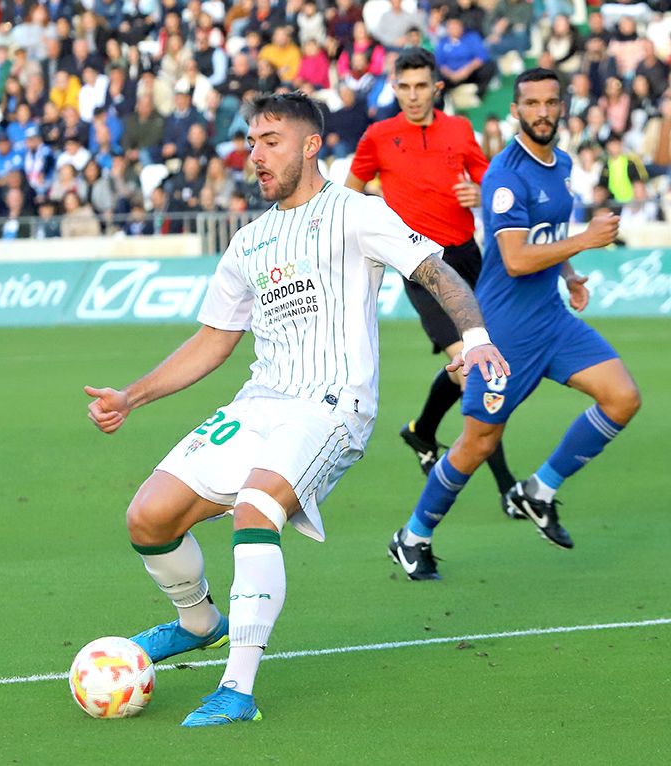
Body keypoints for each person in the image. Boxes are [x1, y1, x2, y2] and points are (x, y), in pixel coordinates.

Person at [83, 92, 507, 726]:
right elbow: (214, 340)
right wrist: (131, 396)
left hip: (332, 406)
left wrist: (473, 339)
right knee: (147, 517)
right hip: (260, 403)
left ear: (311, 146)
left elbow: (435, 271)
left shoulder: (359, 214)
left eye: (271, 141)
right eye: (252, 141)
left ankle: (237, 690)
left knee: (255, 509)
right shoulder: (249, 241)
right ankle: (199, 623)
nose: (256, 154)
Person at [388, 68, 641, 580]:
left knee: (622, 397)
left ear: (563, 105)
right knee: (476, 443)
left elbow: (549, 235)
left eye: (552, 102)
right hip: (504, 333)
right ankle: (412, 535)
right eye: (532, 103)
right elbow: (518, 259)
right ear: (516, 110)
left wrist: (569, 273)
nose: (543, 111)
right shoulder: (505, 174)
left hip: (551, 317)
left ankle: (539, 489)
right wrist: (587, 241)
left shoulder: (562, 163)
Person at [345, 48, 519, 509]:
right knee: (478, 371)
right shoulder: (378, 136)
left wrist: (480, 193)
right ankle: (508, 488)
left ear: (436, 88)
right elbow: (348, 197)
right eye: (404, 87)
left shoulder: (460, 129)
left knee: (478, 361)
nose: (413, 95)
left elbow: (494, 186)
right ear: (394, 87)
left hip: (468, 257)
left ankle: (421, 431)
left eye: (422, 86)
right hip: (420, 267)